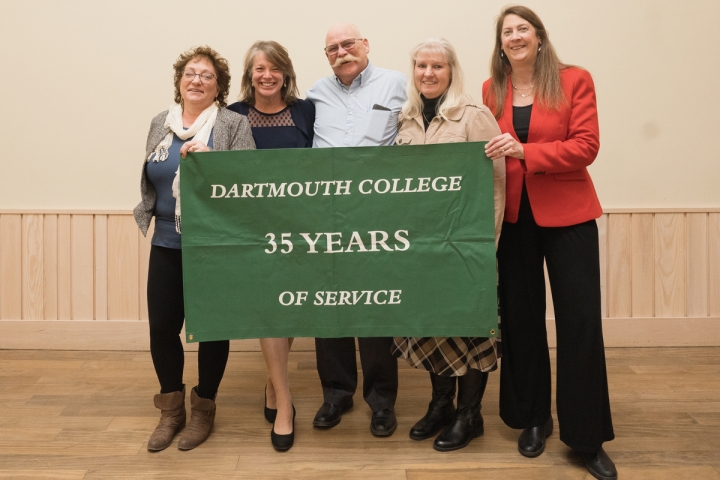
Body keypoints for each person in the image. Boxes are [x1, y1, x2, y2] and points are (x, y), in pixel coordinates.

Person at [482, 6, 617, 480]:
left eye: (524, 29)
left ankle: (586, 437)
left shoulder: (574, 79)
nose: (516, 37)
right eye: (507, 32)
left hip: (569, 216)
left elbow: (587, 146)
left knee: (580, 322)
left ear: (539, 37)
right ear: (500, 44)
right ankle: (532, 420)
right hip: (514, 218)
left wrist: (525, 151)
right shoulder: (490, 89)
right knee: (519, 320)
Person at [134, 45, 255, 452]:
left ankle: (203, 409)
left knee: (211, 328)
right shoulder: (160, 122)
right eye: (190, 73)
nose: (197, 80)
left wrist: (212, 160)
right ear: (180, 81)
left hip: (213, 243)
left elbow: (247, 178)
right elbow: (152, 173)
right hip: (167, 240)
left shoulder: (233, 123)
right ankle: (171, 411)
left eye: (206, 75)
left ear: (218, 86)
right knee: (162, 328)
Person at [391, 38, 506, 452]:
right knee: (432, 327)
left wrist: (484, 246)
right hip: (421, 248)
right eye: (421, 65)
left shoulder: (473, 117)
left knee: (471, 329)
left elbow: (496, 184)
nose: (428, 73)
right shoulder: (404, 120)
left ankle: (468, 414)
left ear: (452, 70)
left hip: (464, 246)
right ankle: (440, 404)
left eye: (437, 66)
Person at [305, 22, 407, 436]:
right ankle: (336, 393)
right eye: (332, 48)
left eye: (348, 44)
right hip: (325, 216)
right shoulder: (315, 93)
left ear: (366, 45)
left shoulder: (397, 83)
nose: (341, 52)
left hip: (377, 213)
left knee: (374, 305)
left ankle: (382, 401)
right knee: (328, 304)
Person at [227, 40, 314, 451]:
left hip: (300, 230)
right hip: (253, 232)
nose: (267, 75)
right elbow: (220, 171)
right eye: (259, 69)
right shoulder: (232, 116)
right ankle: (284, 401)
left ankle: (271, 377)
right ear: (250, 74)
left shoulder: (305, 111)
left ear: (285, 72)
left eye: (274, 68)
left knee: (291, 306)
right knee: (270, 311)